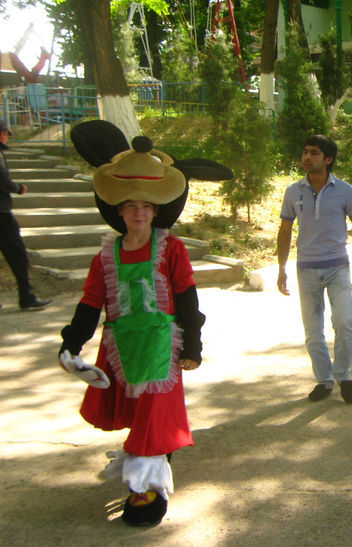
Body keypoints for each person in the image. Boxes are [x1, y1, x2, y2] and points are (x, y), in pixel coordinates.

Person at [58, 136, 206, 527]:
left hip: (162, 346)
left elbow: (187, 298)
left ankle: (147, 490)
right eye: (131, 206)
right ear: (119, 210)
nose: (138, 212)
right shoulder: (106, 255)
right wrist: (71, 344)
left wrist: (193, 344)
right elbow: (91, 303)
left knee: (154, 417)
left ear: (155, 211)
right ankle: (154, 466)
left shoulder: (171, 249)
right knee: (141, 417)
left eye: (146, 206)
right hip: (121, 346)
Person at [277, 135, 352, 404]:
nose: (306, 158)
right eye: (305, 152)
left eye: (314, 153)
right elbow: (284, 231)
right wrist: (282, 268)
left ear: (328, 159)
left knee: (344, 323)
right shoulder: (293, 191)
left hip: (338, 267)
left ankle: (344, 376)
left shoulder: (345, 190)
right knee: (313, 331)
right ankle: (324, 380)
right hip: (306, 270)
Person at [0, 119, 51, 311]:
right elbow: (3, 180)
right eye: (5, 134)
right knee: (18, 255)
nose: (6, 138)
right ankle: (26, 296)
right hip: (2, 215)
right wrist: (19, 188)